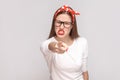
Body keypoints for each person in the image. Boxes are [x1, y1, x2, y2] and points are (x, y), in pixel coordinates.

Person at [40, 5, 89, 80]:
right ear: (54, 23)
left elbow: (84, 72)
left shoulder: (82, 42)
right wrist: (56, 46)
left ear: (72, 25)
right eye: (58, 22)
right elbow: (48, 46)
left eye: (66, 23)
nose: (61, 27)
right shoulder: (47, 44)